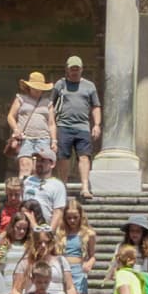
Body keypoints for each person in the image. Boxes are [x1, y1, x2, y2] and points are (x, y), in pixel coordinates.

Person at [52, 57, 101, 199]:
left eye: (77, 69)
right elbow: (51, 105)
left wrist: (96, 125)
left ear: (81, 69)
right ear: (67, 69)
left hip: (83, 127)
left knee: (84, 156)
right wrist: (51, 126)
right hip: (63, 126)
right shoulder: (60, 85)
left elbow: (96, 106)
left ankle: (85, 187)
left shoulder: (89, 86)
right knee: (63, 157)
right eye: (72, 69)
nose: (74, 72)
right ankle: (63, 186)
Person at [7, 71, 57, 179]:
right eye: (35, 88)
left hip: (43, 138)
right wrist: (16, 129)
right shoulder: (21, 99)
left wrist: (54, 141)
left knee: (40, 168)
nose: (38, 91)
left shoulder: (47, 102)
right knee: (25, 166)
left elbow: (52, 123)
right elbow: (10, 116)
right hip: (26, 138)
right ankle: (23, 192)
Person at [20, 146, 67, 232]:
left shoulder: (58, 185)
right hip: (24, 230)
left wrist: (50, 232)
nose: (38, 163)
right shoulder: (27, 180)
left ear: (52, 164)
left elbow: (58, 212)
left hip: (44, 229)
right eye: (37, 160)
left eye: (42, 161)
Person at [0, 177, 24, 258]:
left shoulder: (24, 208)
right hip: (4, 243)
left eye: (16, 194)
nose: (13, 198)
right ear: (6, 192)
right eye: (10, 194)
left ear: (22, 192)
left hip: (21, 246)